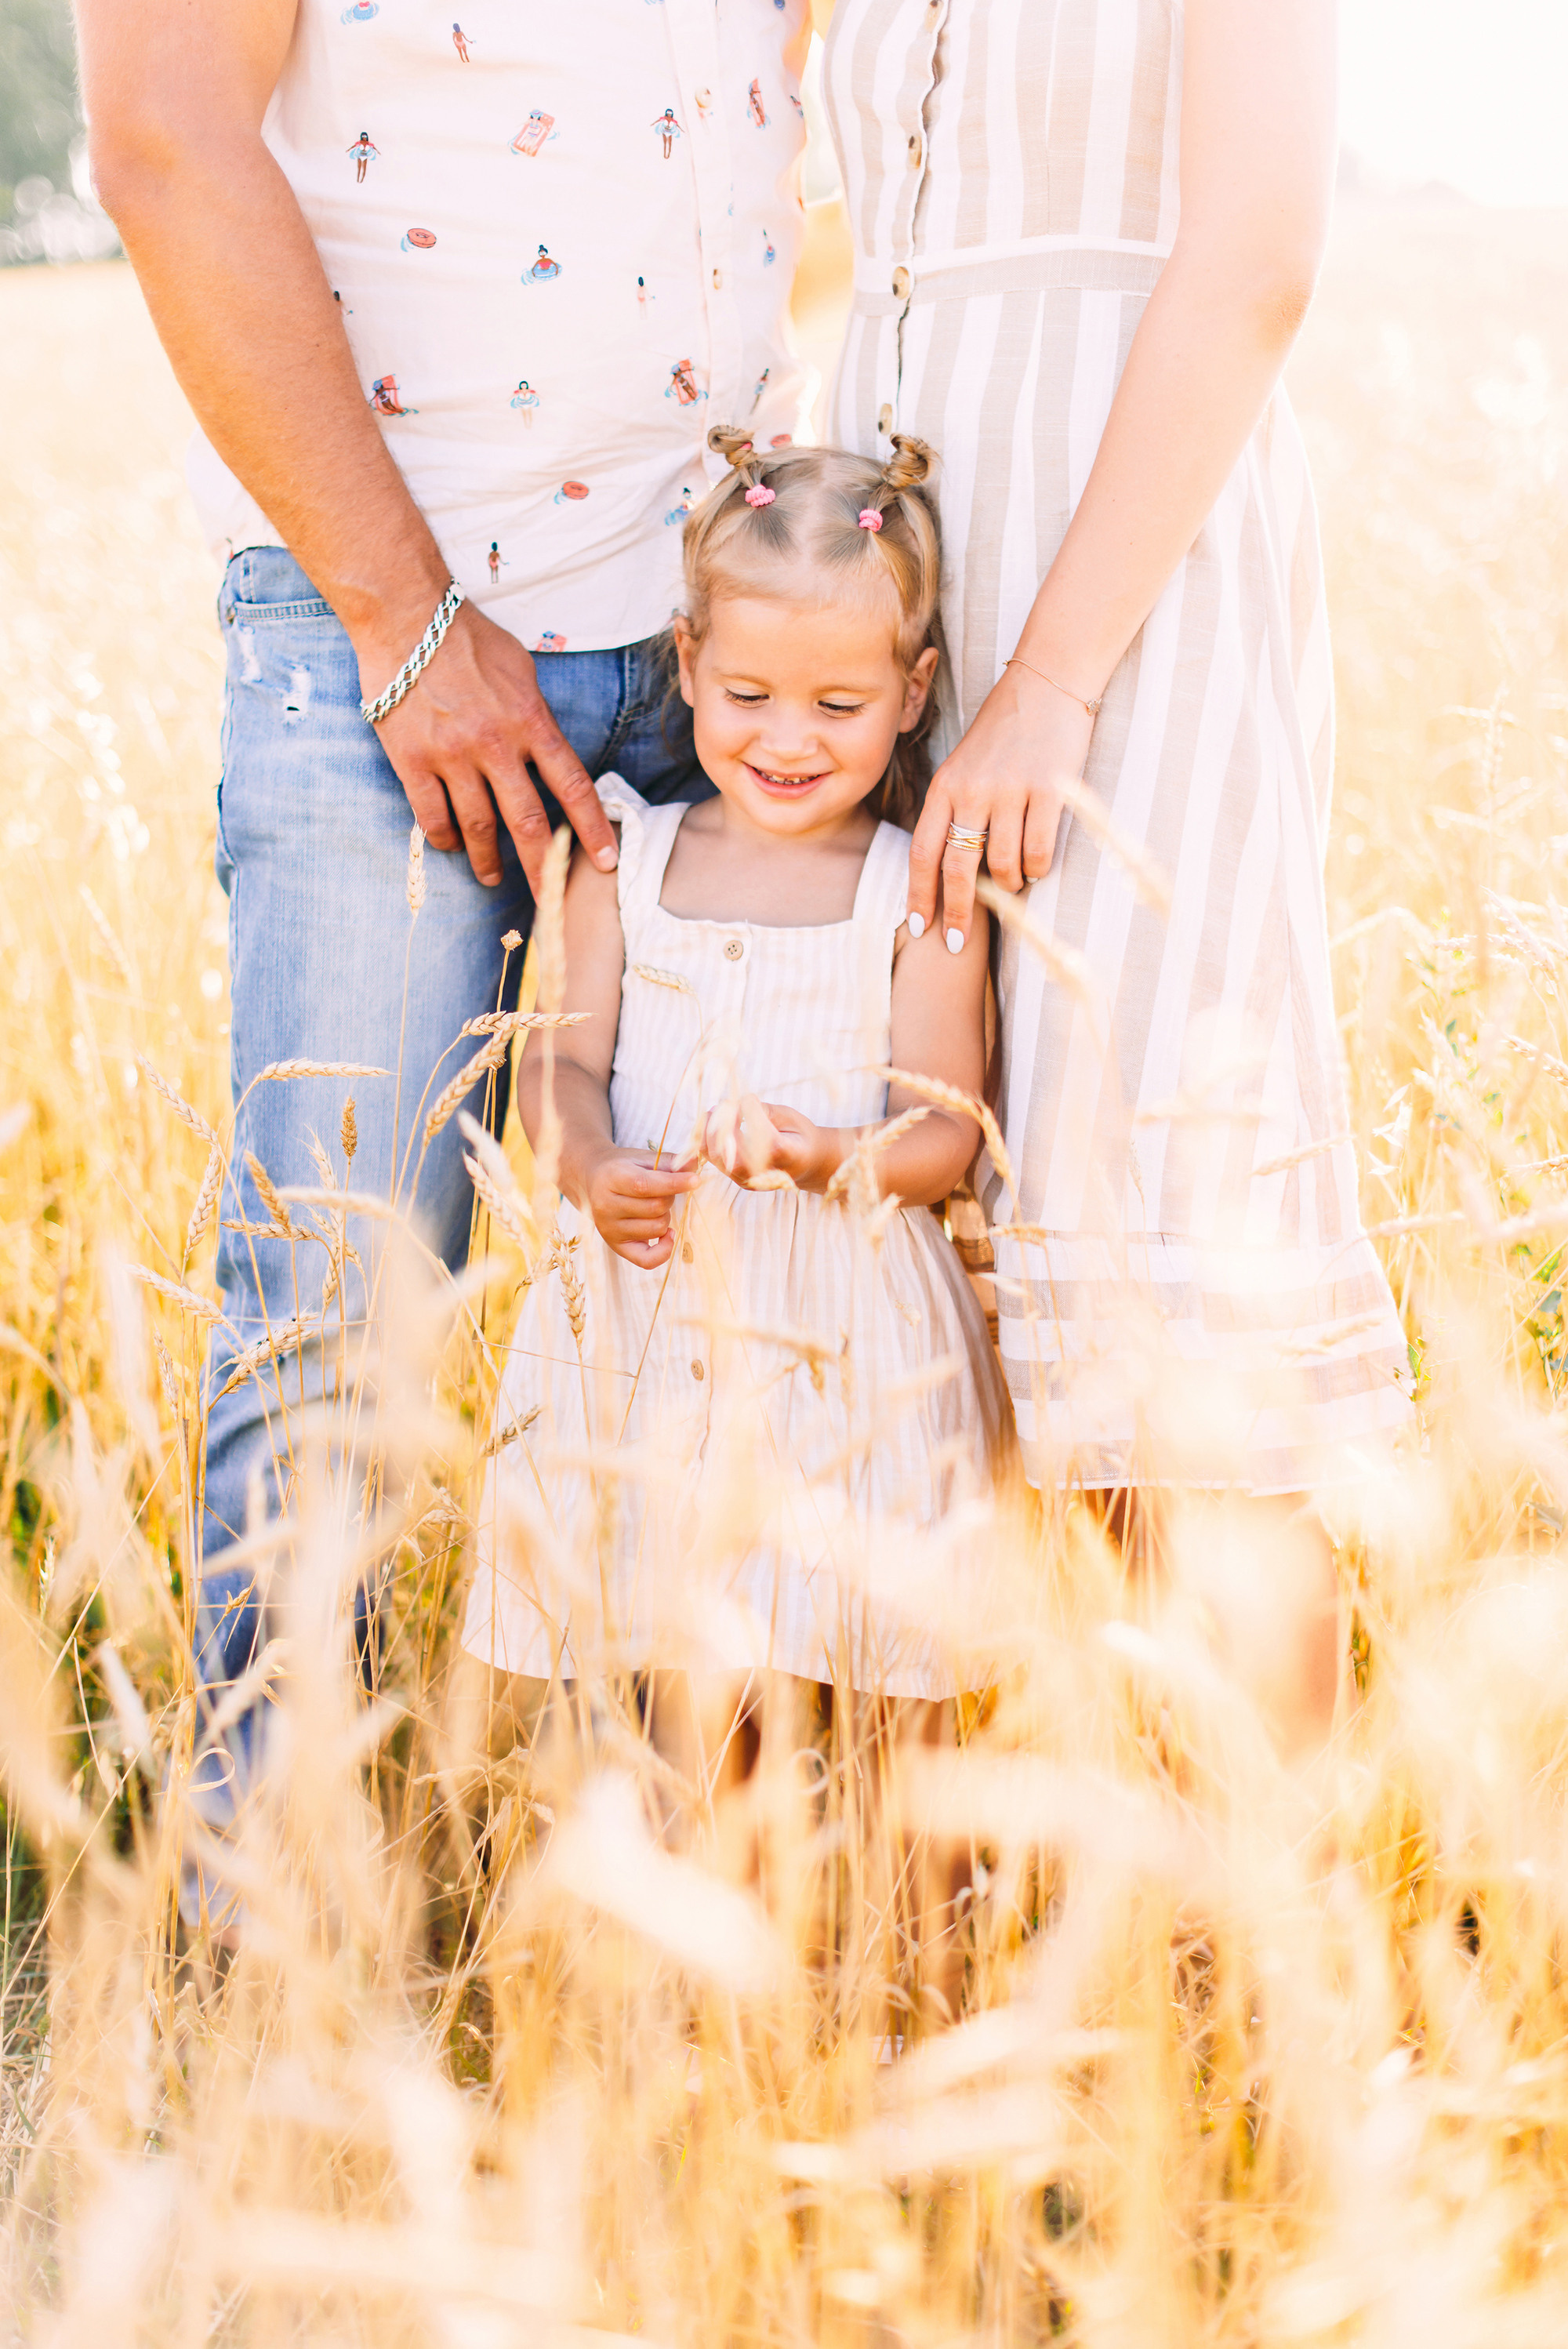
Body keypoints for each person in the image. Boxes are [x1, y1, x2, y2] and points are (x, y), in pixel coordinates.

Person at [78, 0, 815, 1897]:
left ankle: (689, 1926)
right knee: (342, 1308)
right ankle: (269, 1953)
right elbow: (161, 136)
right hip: (379, 635)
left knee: (726, 1273)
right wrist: (411, 626)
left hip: (727, 647)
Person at [818, 0, 1412, 1759]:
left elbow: (1256, 253)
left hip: (1126, 578)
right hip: (890, 581)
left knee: (1163, 1229)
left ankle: (1270, 1943)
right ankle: (1051, 1912)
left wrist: (1053, 680)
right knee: (973, 1253)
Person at [462, 430, 1009, 1712]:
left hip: (848, 1342)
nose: (787, 740)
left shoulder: (912, 889)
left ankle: (889, 1912)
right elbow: (560, 1062)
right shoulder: (623, 860)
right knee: (671, 1671)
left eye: (839, 706)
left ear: (913, 691)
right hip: (649, 1324)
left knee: (868, 1670)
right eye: (749, 694)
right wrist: (590, 1164)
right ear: (690, 663)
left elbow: (944, 1135)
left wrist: (822, 1155)